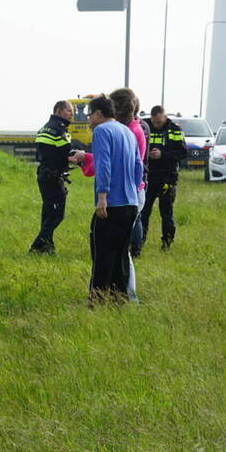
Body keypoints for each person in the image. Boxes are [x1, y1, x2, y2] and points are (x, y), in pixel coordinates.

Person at [72, 88, 147, 302]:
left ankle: (97, 300)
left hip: (111, 203)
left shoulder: (102, 131)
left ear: (98, 114)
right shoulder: (128, 132)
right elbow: (138, 165)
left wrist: (102, 196)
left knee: (102, 254)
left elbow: (103, 164)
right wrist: (132, 189)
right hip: (131, 202)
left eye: (89, 113)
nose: (88, 118)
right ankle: (120, 298)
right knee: (121, 254)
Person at [29, 100, 74, 253]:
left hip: (43, 174)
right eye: (69, 111)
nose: (71, 116)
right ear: (59, 111)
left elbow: (40, 154)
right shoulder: (59, 130)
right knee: (56, 215)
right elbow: (66, 153)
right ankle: (36, 246)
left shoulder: (43, 128)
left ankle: (48, 248)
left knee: (48, 212)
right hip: (54, 177)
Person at [141, 106, 187, 250]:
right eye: (154, 122)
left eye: (159, 122)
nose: (155, 125)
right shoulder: (145, 125)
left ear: (165, 117)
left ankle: (166, 243)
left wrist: (162, 154)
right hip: (149, 176)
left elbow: (182, 152)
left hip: (168, 177)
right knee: (143, 212)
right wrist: (146, 154)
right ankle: (139, 243)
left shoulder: (174, 129)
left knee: (166, 213)